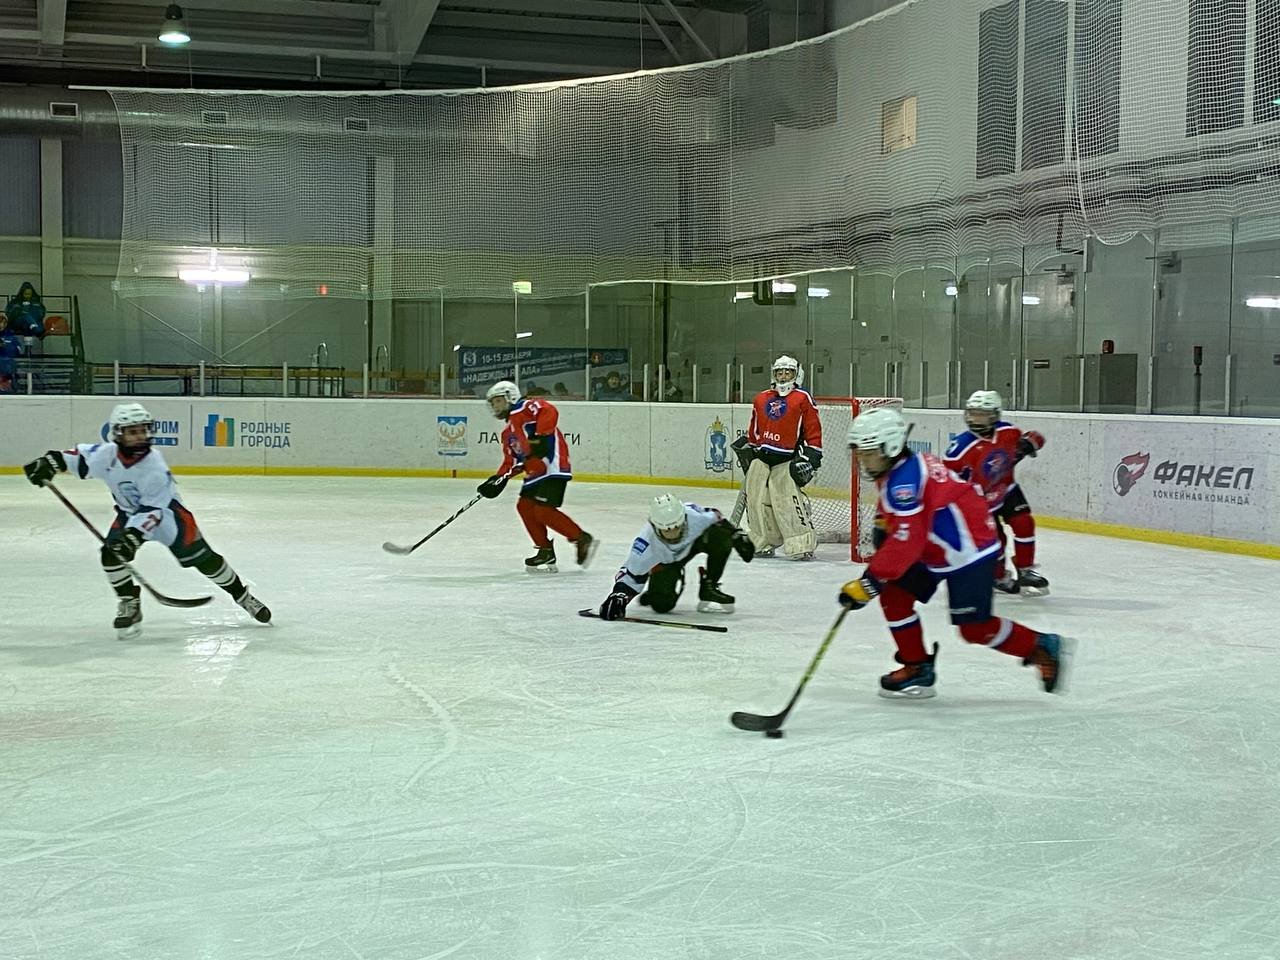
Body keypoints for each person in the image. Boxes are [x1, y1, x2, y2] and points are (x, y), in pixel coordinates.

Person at [837, 406, 1071, 698]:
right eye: (859, 452)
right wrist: (885, 526)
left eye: (868, 452)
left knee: (975, 629)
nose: (862, 459)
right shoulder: (899, 468)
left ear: (891, 446)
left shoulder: (904, 481)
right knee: (895, 598)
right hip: (935, 547)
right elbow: (909, 521)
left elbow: (907, 541)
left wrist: (869, 582)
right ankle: (917, 666)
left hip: (970, 551)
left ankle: (1040, 645)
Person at [22, 402, 272, 639]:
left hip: (169, 517)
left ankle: (242, 596)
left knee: (205, 560)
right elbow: (76, 458)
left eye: (143, 430)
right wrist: (48, 463)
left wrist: (133, 536)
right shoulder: (106, 455)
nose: (140, 437)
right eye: (133, 432)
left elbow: (154, 510)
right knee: (110, 555)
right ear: (118, 434)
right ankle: (129, 601)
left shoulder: (154, 465)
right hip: (129, 514)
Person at [477, 380, 597, 571]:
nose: (495, 406)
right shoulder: (508, 433)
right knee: (524, 506)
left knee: (543, 511)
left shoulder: (525, 407)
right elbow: (512, 461)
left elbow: (549, 410)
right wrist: (497, 480)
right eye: (493, 403)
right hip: (535, 472)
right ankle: (545, 550)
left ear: (510, 397)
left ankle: (580, 538)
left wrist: (539, 439)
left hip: (552, 465)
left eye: (498, 401)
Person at [945, 390, 1048, 595]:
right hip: (979, 502)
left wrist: (1030, 442)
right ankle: (998, 576)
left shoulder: (1008, 432)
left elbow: (1036, 438)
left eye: (982, 415)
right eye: (973, 414)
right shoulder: (959, 448)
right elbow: (946, 480)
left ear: (995, 416)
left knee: (1024, 523)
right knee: (996, 542)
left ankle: (1025, 570)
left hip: (1005, 488)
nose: (976, 420)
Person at [598, 494, 754, 620]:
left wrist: (736, 535)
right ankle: (654, 592)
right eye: (667, 530)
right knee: (662, 605)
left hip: (692, 545)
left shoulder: (694, 516)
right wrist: (619, 596)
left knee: (721, 536)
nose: (673, 534)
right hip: (667, 562)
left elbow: (716, 517)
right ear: (655, 526)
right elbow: (630, 575)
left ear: (684, 519)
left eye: (677, 527)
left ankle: (709, 586)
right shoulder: (645, 544)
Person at [732, 355, 822, 560]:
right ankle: (761, 541)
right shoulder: (761, 398)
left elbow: (813, 430)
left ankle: (800, 543)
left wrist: (811, 457)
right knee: (756, 501)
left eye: (788, 372)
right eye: (779, 372)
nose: (783, 376)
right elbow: (754, 428)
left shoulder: (802, 398)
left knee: (787, 501)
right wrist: (751, 448)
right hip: (761, 459)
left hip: (786, 460)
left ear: (796, 374)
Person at [0, 314, 21, 393]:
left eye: (2, 322)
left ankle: (7, 386)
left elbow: (17, 351)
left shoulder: (12, 337)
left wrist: (5, 346)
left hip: (7, 370)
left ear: (5, 324)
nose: (0, 325)